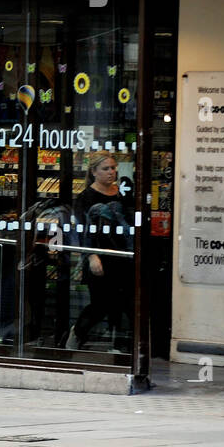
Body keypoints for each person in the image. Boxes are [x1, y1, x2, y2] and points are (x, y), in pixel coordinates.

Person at [68, 151, 135, 352]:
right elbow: (81, 230)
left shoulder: (122, 193)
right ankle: (76, 335)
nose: (111, 172)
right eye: (106, 169)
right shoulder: (85, 197)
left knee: (125, 302)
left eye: (113, 168)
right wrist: (91, 256)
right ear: (94, 171)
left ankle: (119, 344)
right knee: (100, 304)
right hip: (99, 258)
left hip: (122, 256)